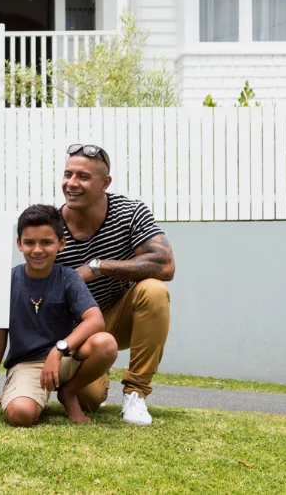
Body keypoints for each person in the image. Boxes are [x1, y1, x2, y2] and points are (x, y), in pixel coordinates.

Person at [54, 143, 175, 426]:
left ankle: (136, 393)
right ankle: (98, 379)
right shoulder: (51, 223)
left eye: (83, 176)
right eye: (67, 174)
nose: (71, 183)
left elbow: (166, 265)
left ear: (104, 183)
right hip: (79, 329)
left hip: (119, 314)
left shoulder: (130, 212)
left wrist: (98, 267)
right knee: (90, 401)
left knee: (154, 290)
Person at [0, 204, 118, 426]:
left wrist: (58, 351)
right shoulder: (8, 280)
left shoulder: (68, 278)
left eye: (46, 242)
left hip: (66, 358)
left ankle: (68, 393)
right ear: (19, 243)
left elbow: (95, 319)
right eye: (30, 242)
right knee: (20, 415)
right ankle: (21, 393)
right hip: (27, 364)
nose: (37, 250)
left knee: (105, 345)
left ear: (61, 244)